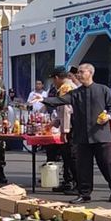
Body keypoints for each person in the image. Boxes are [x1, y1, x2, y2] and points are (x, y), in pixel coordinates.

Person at [36, 63, 111, 204]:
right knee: (83, 167)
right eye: (78, 72)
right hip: (82, 136)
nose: (79, 74)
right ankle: (84, 193)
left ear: (90, 73)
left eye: (82, 72)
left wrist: (109, 115)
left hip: (101, 135)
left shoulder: (103, 89)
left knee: (107, 164)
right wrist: (43, 99)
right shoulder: (76, 92)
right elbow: (61, 100)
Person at [48, 66, 78, 195]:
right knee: (66, 156)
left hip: (71, 127)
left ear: (56, 78)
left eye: (53, 80)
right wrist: (55, 122)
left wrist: (64, 131)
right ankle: (68, 181)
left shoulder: (66, 88)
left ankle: (76, 184)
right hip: (69, 125)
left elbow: (66, 111)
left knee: (71, 156)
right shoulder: (67, 86)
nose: (53, 83)